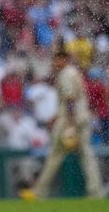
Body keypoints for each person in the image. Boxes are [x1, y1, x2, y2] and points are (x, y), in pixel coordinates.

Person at [20, 50, 104, 200]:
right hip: (82, 118)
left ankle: (40, 192)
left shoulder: (66, 73)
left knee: (55, 155)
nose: (54, 62)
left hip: (69, 120)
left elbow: (70, 99)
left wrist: (69, 124)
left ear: (63, 59)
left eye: (57, 59)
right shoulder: (74, 72)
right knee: (86, 155)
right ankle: (96, 191)